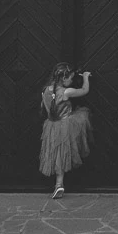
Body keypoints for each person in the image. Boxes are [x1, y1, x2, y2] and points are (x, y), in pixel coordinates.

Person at [39, 63, 94, 199]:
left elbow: (45, 107)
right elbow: (84, 90)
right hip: (65, 126)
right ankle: (59, 184)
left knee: (56, 153)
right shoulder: (66, 92)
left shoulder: (45, 90)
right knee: (62, 154)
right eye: (70, 78)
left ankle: (59, 184)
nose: (71, 81)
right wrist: (85, 77)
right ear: (63, 78)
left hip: (51, 125)